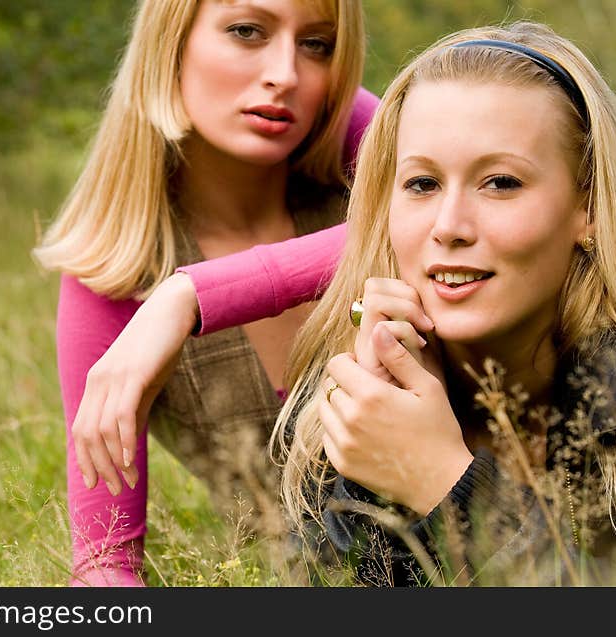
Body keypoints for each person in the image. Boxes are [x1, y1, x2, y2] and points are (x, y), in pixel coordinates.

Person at [93, 21, 616, 586]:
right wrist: (377, 482)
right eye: (421, 183)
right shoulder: (352, 389)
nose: (449, 225)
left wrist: (443, 480)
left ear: (589, 209)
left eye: (501, 182)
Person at [32, 0, 374, 586]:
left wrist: (190, 296)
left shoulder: (363, 151)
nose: (286, 74)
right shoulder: (115, 269)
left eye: (317, 44)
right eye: (247, 32)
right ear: (171, 44)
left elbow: (433, 227)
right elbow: (104, 561)